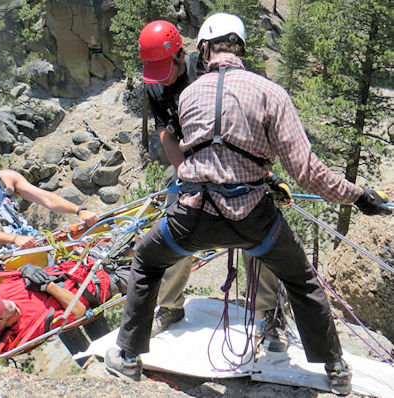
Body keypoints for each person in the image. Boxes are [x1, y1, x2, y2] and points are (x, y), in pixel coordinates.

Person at [105, 13, 391, 395]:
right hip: (255, 218)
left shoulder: (189, 95)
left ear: (203, 50)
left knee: (146, 259)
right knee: (301, 278)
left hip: (194, 216)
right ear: (241, 48)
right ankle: (335, 367)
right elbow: (307, 170)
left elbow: (198, 155)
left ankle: (127, 355)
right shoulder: (270, 93)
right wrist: (358, 196)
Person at [139, 20, 290, 352]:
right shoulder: (152, 84)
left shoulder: (206, 68)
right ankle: (170, 306)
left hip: (234, 167)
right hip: (191, 166)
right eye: (155, 70)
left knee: (258, 231)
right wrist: (189, 177)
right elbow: (167, 134)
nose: (162, 76)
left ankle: (269, 313)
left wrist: (264, 176)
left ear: (181, 55)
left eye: (166, 68)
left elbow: (242, 124)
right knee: (173, 229)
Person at [0, 120, 107, 357]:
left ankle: (108, 346)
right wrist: (13, 239)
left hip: (37, 251)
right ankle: (87, 359)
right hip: (12, 264)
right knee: (53, 310)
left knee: (80, 288)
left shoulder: (6, 178)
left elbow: (44, 198)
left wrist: (78, 210)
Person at [0, 258, 130, 354]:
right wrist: (48, 286)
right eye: (0, 308)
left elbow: (19, 272)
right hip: (103, 282)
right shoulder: (34, 325)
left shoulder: (3, 291)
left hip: (83, 263)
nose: (4, 302)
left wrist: (27, 269)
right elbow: (78, 312)